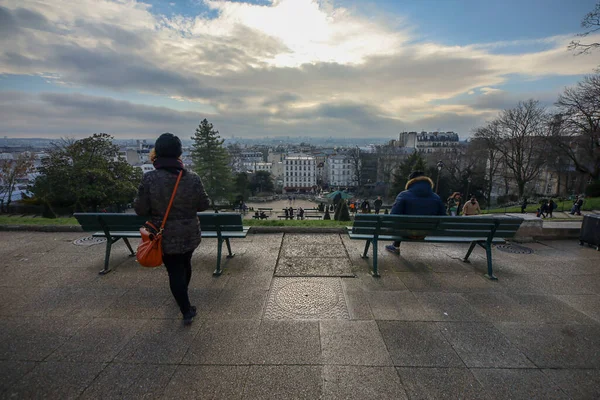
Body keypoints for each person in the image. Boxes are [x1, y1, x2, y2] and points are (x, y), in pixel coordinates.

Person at [134, 133, 210, 325]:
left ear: (157, 153)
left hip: (164, 234)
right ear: (179, 153)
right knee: (185, 264)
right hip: (189, 233)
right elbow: (203, 205)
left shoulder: (149, 179)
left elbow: (140, 209)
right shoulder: (192, 178)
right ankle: (184, 301)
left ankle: (185, 309)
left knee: (175, 270)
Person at [385, 171, 446, 254]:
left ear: (411, 182)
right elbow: (443, 216)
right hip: (426, 232)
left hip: (407, 232)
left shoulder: (403, 195)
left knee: (400, 223)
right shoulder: (436, 197)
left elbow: (393, 217)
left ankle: (395, 246)